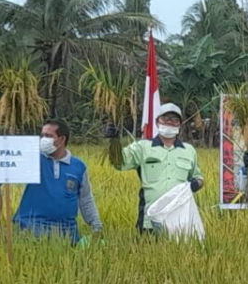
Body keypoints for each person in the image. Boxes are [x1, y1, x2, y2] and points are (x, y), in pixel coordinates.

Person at [105, 103, 203, 233]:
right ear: (157, 122)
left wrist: (195, 184)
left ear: (180, 124)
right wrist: (114, 141)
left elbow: (199, 177)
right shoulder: (142, 147)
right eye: (165, 118)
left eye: (174, 120)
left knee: (181, 253)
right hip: (149, 220)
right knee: (148, 252)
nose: (170, 122)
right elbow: (118, 163)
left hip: (180, 220)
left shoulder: (189, 150)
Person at [14, 119, 102, 244]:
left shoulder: (78, 167)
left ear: (61, 139)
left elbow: (86, 199)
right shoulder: (32, 159)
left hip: (67, 233)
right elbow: (6, 174)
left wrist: (96, 225)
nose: (43, 139)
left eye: (48, 136)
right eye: (42, 135)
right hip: (31, 229)